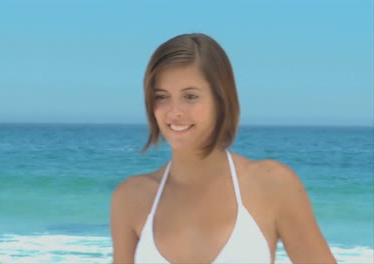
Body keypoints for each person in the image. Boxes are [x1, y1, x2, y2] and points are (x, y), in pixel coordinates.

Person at [110, 33, 336, 264]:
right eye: (162, 97)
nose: (174, 112)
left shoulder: (272, 184)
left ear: (221, 99)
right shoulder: (130, 198)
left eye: (190, 96)